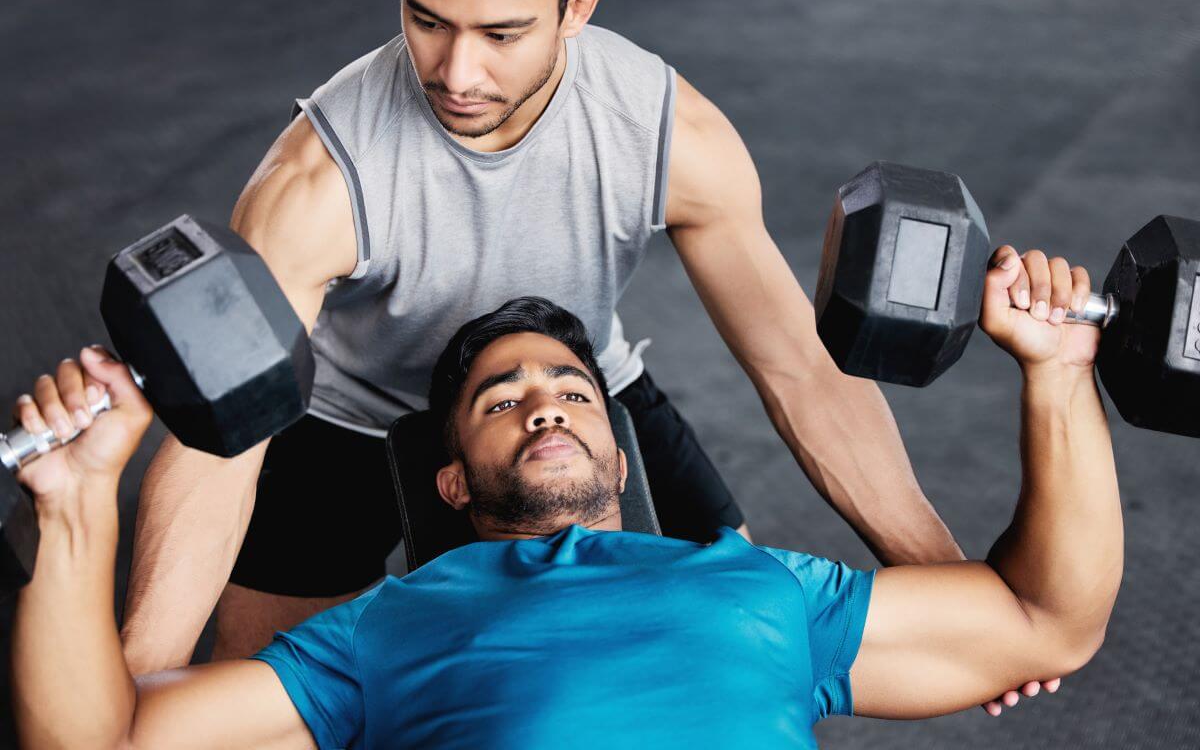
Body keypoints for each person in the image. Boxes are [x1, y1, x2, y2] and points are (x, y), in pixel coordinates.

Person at [120, 0, 969, 683]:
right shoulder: (319, 179)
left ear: (576, 10)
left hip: (578, 390)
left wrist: (957, 596)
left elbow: (800, 367)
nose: (456, 74)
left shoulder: (663, 131)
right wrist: (128, 688)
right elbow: (218, 446)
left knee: (730, 634)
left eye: (500, 35)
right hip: (351, 419)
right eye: (427, 20)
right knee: (250, 690)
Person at [11, 248, 1121, 748]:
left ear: (623, 452)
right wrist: (78, 493)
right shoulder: (383, 631)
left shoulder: (764, 583)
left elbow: (1048, 618)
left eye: (571, 390)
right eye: (502, 400)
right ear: (450, 480)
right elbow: (93, 742)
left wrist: (1058, 371)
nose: (544, 406)